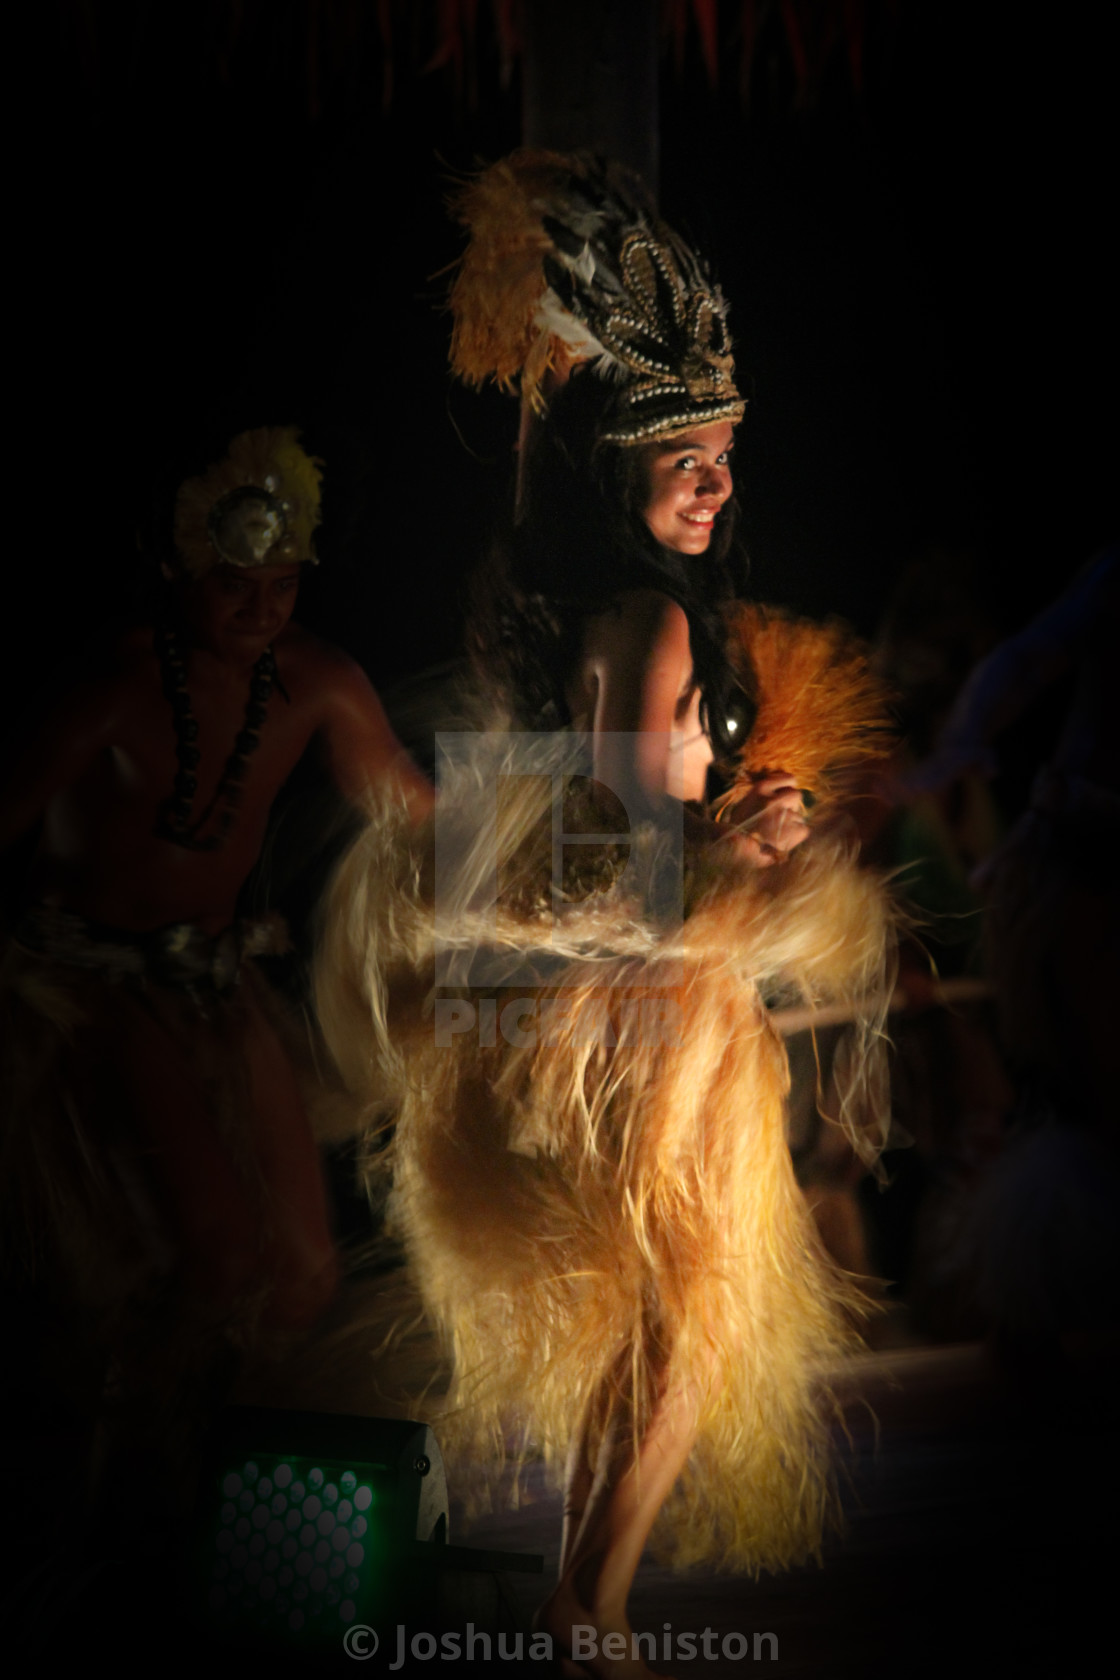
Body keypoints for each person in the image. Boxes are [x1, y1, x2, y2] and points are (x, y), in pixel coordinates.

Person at [316, 155, 894, 1678]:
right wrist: (752, 854)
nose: (714, 480)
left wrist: (743, 824)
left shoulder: (607, 612)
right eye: (680, 455)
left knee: (657, 1318)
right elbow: (634, 872)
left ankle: (588, 1596)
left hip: (627, 1011)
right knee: (688, 1321)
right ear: (614, 469)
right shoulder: (647, 620)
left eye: (723, 453)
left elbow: (624, 824)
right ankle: (591, 1607)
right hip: (650, 1014)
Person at [0, 426, 432, 1407]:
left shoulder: (316, 683)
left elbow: (414, 815)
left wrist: (554, 851)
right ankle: (129, 1475)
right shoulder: (116, 684)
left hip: (219, 985)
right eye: (237, 582)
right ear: (179, 564)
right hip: (87, 987)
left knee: (304, 1274)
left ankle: (212, 1459)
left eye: (283, 585)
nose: (261, 608)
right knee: (218, 1255)